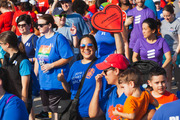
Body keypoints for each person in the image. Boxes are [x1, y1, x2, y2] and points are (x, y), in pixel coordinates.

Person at [57, 31, 124, 119]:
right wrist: (62, 81)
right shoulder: (75, 65)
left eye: (90, 45)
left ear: (95, 48)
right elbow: (69, 90)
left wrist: (116, 32)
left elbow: (119, 54)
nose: (86, 48)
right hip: (76, 113)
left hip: (96, 113)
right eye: (82, 46)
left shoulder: (102, 62)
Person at [89, 54, 156, 120]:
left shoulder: (135, 90)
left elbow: (152, 112)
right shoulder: (110, 92)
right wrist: (97, 89)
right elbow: (93, 114)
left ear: (116, 71)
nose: (103, 74)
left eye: (105, 71)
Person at [34, 14, 73, 120]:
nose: (39, 27)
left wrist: (52, 65)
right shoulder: (40, 40)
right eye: (38, 25)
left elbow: (68, 57)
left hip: (57, 83)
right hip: (44, 83)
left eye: (41, 25)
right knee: (49, 113)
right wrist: (34, 77)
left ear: (50, 25)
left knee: (57, 114)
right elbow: (38, 60)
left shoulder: (59, 38)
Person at [0, 31, 32, 114]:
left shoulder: (23, 61)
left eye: (1, 44)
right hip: (8, 98)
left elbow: (25, 87)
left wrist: (23, 105)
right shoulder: (6, 57)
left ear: (7, 44)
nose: (0, 45)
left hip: (18, 100)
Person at [160, 4, 180, 91]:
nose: (166, 18)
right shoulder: (162, 23)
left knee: (178, 78)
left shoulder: (177, 23)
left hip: (176, 52)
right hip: (166, 53)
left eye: (168, 16)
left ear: (172, 14)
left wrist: (176, 54)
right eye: (164, 16)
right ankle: (169, 96)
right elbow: (162, 37)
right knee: (167, 77)